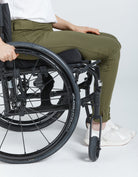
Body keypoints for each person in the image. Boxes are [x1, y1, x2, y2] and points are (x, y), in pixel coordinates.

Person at [0, 0, 135, 146]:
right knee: (111, 48)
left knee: (109, 39)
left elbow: (38, 13)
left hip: (40, 31)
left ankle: (99, 119)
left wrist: (72, 27)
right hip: (27, 35)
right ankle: (100, 127)